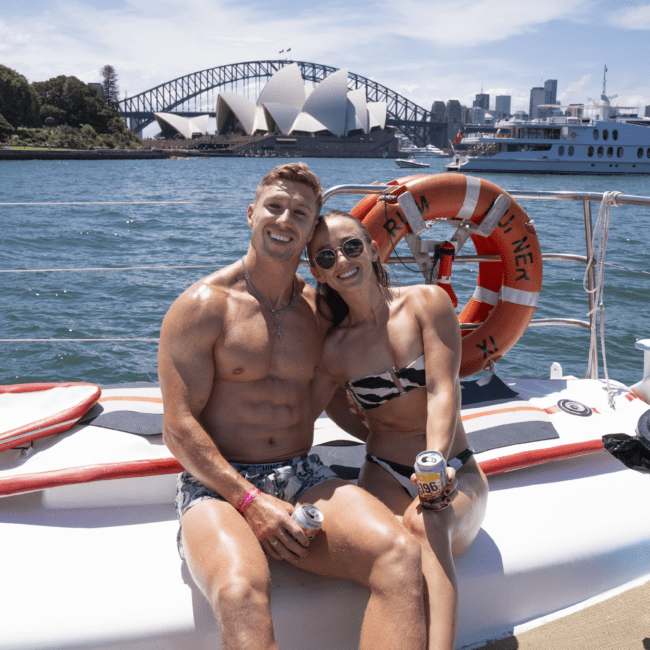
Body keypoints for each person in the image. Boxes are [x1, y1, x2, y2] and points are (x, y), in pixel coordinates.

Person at [158, 163, 426, 650]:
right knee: (240, 592)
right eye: (274, 207)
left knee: (400, 554)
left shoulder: (319, 310)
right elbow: (177, 426)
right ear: (251, 214)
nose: (284, 219)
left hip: (302, 473)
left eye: (299, 213)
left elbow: (351, 381)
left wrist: (410, 437)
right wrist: (249, 501)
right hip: (217, 487)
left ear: (309, 234)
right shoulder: (202, 306)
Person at [308, 210, 489, 650]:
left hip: (454, 469)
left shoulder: (427, 303)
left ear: (371, 249)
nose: (342, 261)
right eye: (326, 256)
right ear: (318, 272)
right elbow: (327, 407)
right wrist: (374, 429)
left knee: (426, 528)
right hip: (382, 471)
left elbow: (444, 390)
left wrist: (436, 463)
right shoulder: (333, 349)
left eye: (351, 247)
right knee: (392, 550)